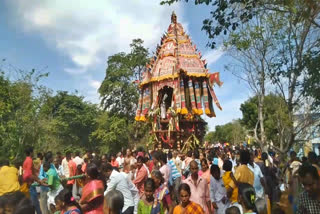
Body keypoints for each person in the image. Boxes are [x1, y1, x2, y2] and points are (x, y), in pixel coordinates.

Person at [23, 146, 42, 214]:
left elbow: (32, 171)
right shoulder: (29, 160)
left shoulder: (26, 160)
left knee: (34, 204)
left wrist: (39, 179)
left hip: (29, 185)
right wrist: (39, 181)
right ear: (31, 152)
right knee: (35, 204)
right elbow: (29, 174)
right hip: (30, 185)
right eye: (33, 152)